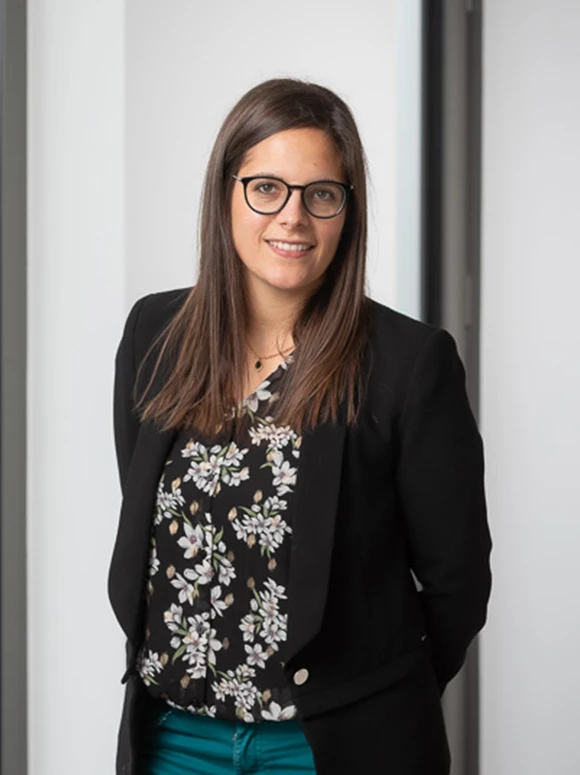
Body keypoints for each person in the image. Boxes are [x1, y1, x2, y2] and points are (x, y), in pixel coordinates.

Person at [109, 78, 492, 775]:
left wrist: (376, 696)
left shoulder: (408, 363)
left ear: (348, 211)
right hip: (174, 740)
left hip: (326, 750)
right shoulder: (154, 333)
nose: (293, 218)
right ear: (226, 191)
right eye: (267, 188)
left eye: (321, 194)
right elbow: (145, 523)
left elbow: (457, 583)